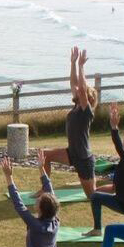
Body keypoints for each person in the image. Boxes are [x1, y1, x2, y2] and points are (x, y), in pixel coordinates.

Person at [37, 46, 101, 236]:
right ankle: (44, 190)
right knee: (45, 155)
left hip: (83, 159)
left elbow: (81, 88)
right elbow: (75, 83)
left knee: (93, 196)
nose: (76, 90)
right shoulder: (76, 106)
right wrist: (72, 63)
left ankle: (97, 228)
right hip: (71, 152)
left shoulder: (86, 110)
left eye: (82, 92)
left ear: (87, 98)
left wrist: (81, 66)